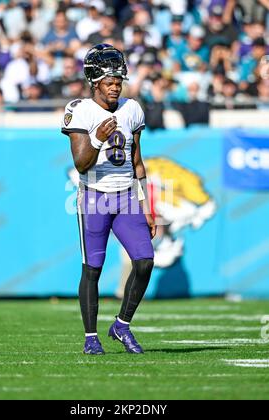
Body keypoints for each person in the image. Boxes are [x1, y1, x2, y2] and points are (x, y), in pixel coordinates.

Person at [61, 44, 156, 355]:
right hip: (94, 196)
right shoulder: (81, 110)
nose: (116, 86)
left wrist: (148, 204)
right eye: (109, 81)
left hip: (127, 195)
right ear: (95, 82)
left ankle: (121, 325)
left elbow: (138, 160)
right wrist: (98, 138)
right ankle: (91, 337)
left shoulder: (132, 108)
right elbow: (80, 163)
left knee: (144, 261)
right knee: (93, 268)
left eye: (119, 81)